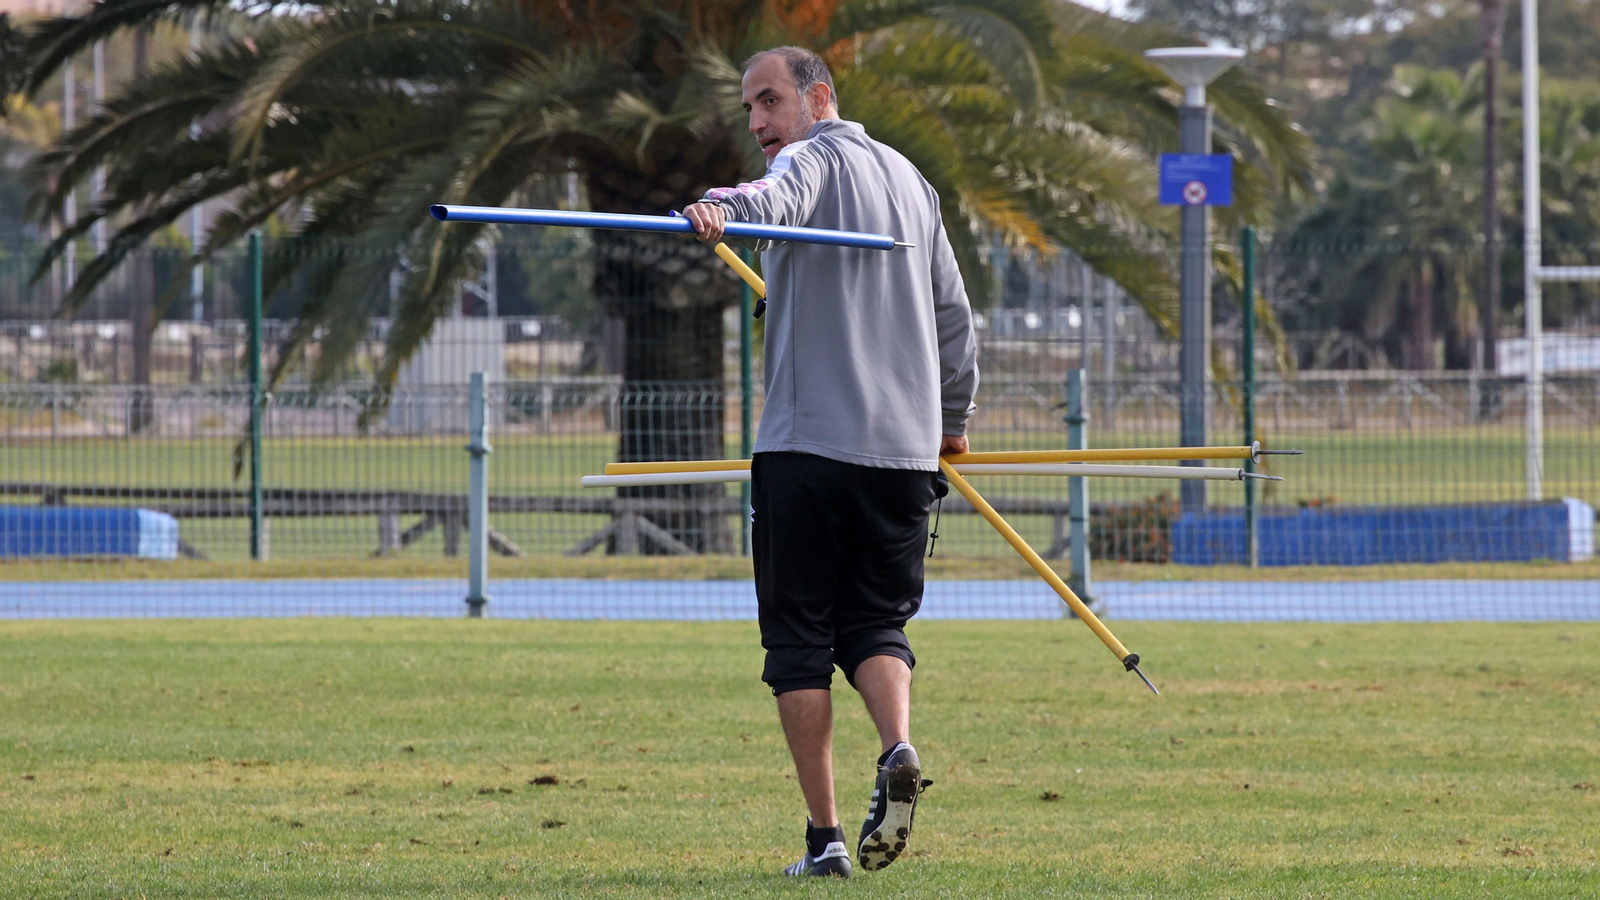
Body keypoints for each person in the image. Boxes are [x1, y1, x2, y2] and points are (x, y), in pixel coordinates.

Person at [682, 46, 979, 879]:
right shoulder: (911, 180)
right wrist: (951, 421)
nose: (757, 123)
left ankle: (827, 839)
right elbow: (954, 317)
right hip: (903, 457)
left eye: (768, 102)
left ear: (820, 98)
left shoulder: (809, 158)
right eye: (748, 110)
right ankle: (899, 747)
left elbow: (768, 197)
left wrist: (720, 206)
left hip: (807, 450)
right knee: (878, 625)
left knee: (799, 644)